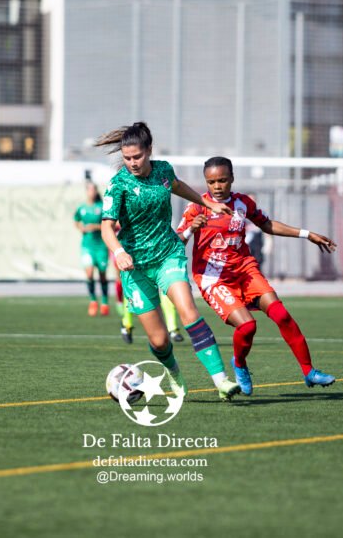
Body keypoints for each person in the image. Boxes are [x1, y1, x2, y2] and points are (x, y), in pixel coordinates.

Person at [97, 122, 241, 400]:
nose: (132, 163)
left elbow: (176, 186)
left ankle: (222, 381)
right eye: (127, 158)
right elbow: (106, 227)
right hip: (135, 266)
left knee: (189, 311)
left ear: (149, 151)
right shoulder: (118, 184)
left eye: (137, 157)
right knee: (159, 341)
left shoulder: (163, 170)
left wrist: (207, 203)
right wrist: (119, 252)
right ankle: (174, 373)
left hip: (168, 255)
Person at [176, 156, 338, 395]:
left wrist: (307, 234)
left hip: (245, 269)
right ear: (206, 182)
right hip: (214, 278)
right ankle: (239, 364)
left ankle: (309, 371)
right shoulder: (196, 206)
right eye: (211, 182)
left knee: (281, 315)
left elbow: (267, 224)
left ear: (232, 178)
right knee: (248, 326)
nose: (217, 186)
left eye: (222, 180)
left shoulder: (243, 203)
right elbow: (176, 240)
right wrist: (191, 228)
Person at [74, 183, 110, 317]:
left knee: (102, 275)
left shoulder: (101, 207)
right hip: (87, 246)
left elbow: (111, 224)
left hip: (101, 246)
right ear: (87, 192)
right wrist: (80, 227)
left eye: (93, 189)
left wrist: (95, 226)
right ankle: (93, 301)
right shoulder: (82, 208)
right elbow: (76, 220)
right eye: (89, 190)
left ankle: (105, 302)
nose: (91, 192)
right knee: (89, 274)